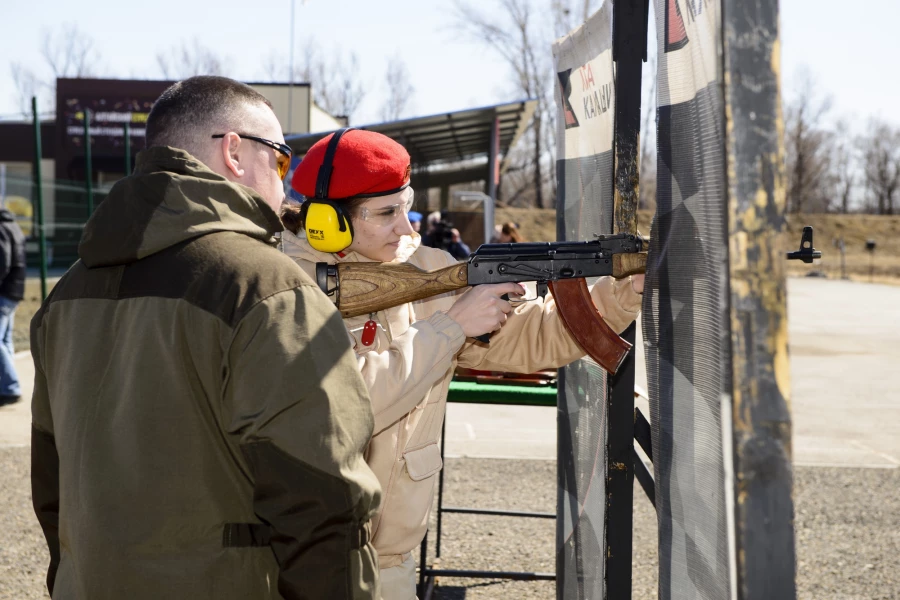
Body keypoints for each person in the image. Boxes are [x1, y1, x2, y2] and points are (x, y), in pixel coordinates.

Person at [30, 77, 381, 599]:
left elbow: (51, 483)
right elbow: (322, 499)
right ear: (235, 151)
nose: (286, 184)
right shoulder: (268, 287)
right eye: (282, 159)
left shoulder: (68, 291)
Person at [280, 129, 644, 600]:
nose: (406, 228)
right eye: (387, 213)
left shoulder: (425, 266)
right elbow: (343, 404)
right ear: (327, 221)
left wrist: (620, 295)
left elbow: (531, 339)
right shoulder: (279, 282)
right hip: (299, 562)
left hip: (391, 562)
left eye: (405, 205)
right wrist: (453, 325)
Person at [0, 205, 25, 405]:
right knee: (5, 340)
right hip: (14, 291)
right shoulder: (13, 225)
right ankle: (7, 385)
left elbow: (3, 262)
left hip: (4, 291)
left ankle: (10, 387)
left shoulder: (1, 227)